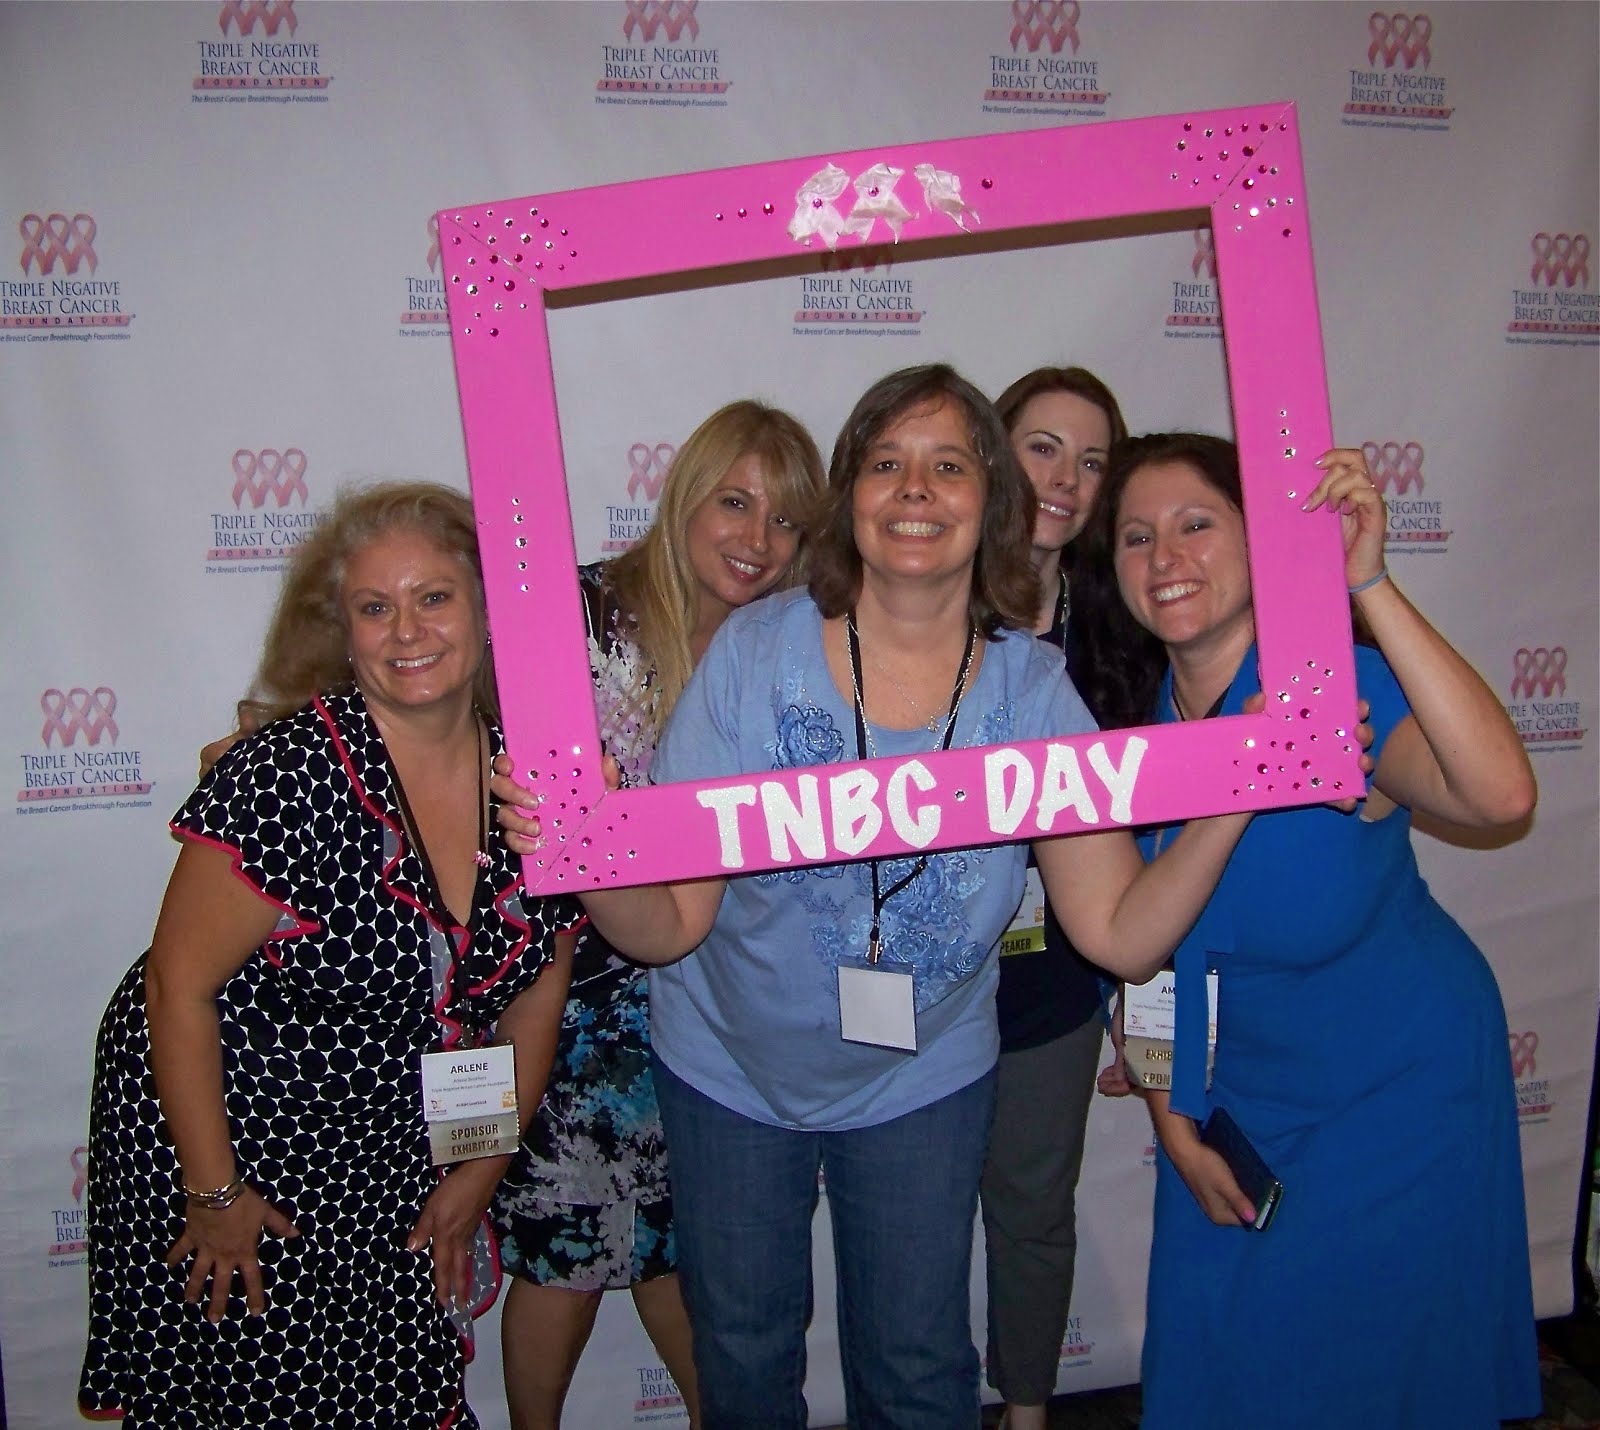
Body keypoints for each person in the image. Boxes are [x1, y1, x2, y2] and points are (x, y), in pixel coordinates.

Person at [495, 364, 1256, 1429]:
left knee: (914, 1365)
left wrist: (1237, 789)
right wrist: (593, 854)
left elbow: (1118, 932)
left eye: (948, 466)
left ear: (989, 502)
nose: (914, 489)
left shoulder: (1031, 691)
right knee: (747, 1355)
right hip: (728, 1064)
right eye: (887, 462)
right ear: (849, 494)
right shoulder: (754, 657)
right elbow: (668, 924)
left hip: (921, 1076)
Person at [78, 482, 583, 1430]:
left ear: (486, 611)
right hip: (236, 1144)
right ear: (342, 633)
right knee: (245, 1396)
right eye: (374, 607)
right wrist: (216, 1193)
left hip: (390, 1148)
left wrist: (475, 1173)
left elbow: (528, 1005)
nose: (408, 631)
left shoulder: (540, 779)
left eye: (434, 597)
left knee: (392, 1389)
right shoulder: (283, 774)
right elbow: (174, 986)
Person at [1073, 433, 1540, 1428]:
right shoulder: (1134, 729)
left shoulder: (1330, 695)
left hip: (1401, 1094)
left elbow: (1499, 793)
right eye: (1137, 537)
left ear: (1262, 542)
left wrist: (1364, 583)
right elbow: (1146, 961)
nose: (1166, 557)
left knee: (1387, 1382)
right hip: (1238, 1109)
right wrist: (1172, 1127)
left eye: (1197, 524)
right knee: (1220, 1372)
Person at [488, 400, 824, 1430]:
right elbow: (450, 728)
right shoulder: (574, 613)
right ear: (684, 496)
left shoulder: (791, 649)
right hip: (567, 993)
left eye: (785, 521)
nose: (756, 541)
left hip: (716, 993)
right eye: (734, 502)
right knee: (564, 1249)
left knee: (690, 1251)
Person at [979, 366, 1126, 1430]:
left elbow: (1152, 833)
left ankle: (1026, 1410)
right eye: (1043, 446)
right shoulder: (915, 592)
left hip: (1058, 982)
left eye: (1091, 459)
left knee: (1032, 1210)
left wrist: (1147, 1015)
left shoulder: (1121, 621)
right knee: (912, 1221)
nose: (1066, 478)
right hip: (919, 980)